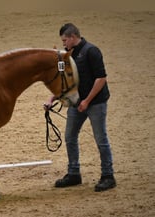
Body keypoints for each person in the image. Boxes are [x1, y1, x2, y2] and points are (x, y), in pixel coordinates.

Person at [44, 23, 116, 192]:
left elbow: (101, 79)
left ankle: (108, 175)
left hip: (95, 102)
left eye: (64, 40)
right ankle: (74, 173)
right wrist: (51, 98)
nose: (63, 44)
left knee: (100, 139)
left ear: (73, 37)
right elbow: (65, 82)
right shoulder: (67, 55)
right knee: (70, 137)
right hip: (76, 102)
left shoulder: (92, 51)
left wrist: (87, 101)